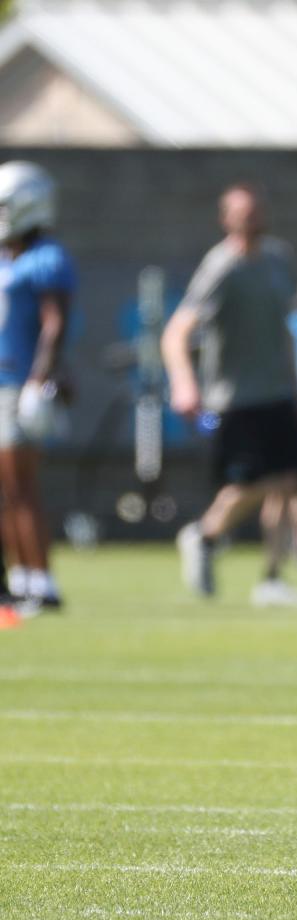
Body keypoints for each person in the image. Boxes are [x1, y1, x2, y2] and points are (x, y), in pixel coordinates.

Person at [162, 182, 297, 604]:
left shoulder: (279, 260)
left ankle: (272, 578)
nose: (252, 221)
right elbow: (176, 333)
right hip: (235, 396)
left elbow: (287, 332)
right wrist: (185, 383)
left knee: (286, 482)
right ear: (226, 219)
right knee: (253, 484)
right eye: (242, 214)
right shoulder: (220, 267)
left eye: (256, 212)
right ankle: (204, 535)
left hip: (277, 392)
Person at [0, 160, 73, 612]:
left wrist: (38, 381)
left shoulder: (47, 258)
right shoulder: (6, 257)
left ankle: (42, 581)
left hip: (17, 384)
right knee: (5, 490)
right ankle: (22, 577)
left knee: (19, 486)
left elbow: (55, 323)